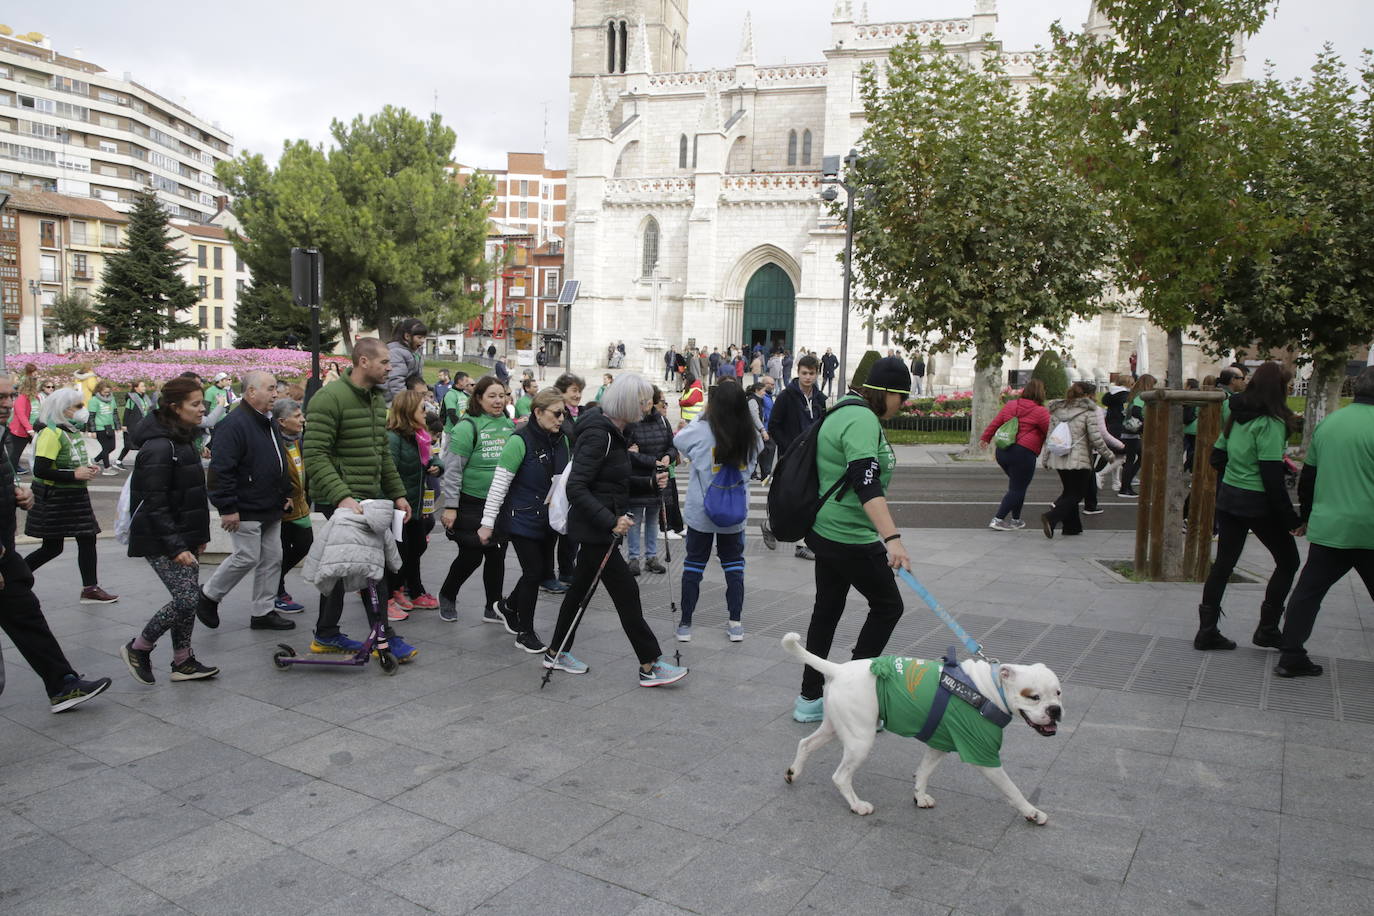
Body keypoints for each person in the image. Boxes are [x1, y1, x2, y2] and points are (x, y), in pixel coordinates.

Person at [541, 373, 686, 686]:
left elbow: (612, 482)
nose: (647, 406)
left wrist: (648, 481)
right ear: (627, 403)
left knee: (580, 590)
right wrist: (611, 521)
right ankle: (650, 664)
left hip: (601, 528)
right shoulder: (600, 433)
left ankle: (556, 651)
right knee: (626, 593)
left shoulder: (618, 431)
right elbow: (578, 486)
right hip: (597, 530)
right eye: (642, 400)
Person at [792, 356, 912, 723]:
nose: (903, 405)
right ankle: (855, 695)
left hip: (825, 530)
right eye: (901, 398)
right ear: (886, 392)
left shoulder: (843, 408)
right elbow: (865, 481)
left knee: (827, 610)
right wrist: (891, 537)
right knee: (889, 606)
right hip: (850, 535)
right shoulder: (861, 419)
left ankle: (809, 698)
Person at [0, 376, 112, 711]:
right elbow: (44, 468)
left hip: (6, 551)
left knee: (27, 615)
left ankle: (62, 684)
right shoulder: (49, 433)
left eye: (11, 396)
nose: (7, 403)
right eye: (1, 396)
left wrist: (16, 494)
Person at [302, 339, 416, 661]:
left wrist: (397, 494)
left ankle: (326, 634)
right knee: (371, 564)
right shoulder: (329, 398)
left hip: (367, 496)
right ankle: (384, 638)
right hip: (341, 498)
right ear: (363, 361)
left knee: (342, 566)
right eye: (384, 363)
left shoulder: (376, 400)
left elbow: (380, 452)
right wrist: (342, 497)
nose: (389, 368)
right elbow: (315, 454)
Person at [1194, 361, 1302, 652]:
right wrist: (1292, 519)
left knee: (1224, 564)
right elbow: (1272, 477)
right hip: (1258, 502)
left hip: (1230, 497)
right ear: (1278, 389)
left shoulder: (1236, 416)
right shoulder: (1271, 423)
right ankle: (1267, 629)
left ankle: (1206, 630)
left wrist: (1237, 473)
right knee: (1289, 561)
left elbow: (1217, 458)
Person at [1274, 366, 1374, 677]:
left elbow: (1309, 477)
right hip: (1369, 527)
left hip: (1330, 526)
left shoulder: (1329, 424)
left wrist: (1306, 516)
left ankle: (1290, 655)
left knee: (1308, 592)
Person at [120, 377, 218, 684]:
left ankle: (183, 660)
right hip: (160, 537)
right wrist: (176, 546)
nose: (203, 409)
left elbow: (191, 494)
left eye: (203, 402)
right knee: (188, 600)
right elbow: (155, 503)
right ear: (175, 408)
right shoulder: (160, 446)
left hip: (183, 534)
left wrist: (198, 536)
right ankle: (139, 647)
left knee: (185, 598)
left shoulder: (181, 438)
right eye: (195, 404)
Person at [196, 370, 294, 632]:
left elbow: (277, 459)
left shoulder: (268, 420)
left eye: (276, 388)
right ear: (251, 392)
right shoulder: (234, 424)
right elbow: (221, 469)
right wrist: (227, 507)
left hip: (270, 503)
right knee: (247, 556)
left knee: (272, 558)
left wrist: (285, 492)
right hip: (246, 504)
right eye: (271, 388)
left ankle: (263, 612)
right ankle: (208, 596)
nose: (276, 394)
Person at [479, 387, 570, 653]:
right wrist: (487, 523)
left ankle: (507, 607)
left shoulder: (561, 439)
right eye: (556, 413)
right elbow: (499, 485)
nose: (561, 419)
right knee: (533, 573)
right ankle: (525, 633)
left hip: (547, 517)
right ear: (538, 413)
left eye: (563, 413)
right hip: (520, 518)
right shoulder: (519, 440)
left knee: (540, 570)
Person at [673, 379, 761, 642]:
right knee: (734, 567)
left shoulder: (700, 430)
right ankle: (735, 623)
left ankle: (686, 623)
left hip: (702, 510)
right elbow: (757, 458)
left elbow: (679, 441)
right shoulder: (751, 435)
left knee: (693, 565)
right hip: (734, 512)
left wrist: (702, 416)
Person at [25, 389, 117, 604]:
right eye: (78, 406)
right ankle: (13, 577)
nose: (82, 411)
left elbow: (68, 460)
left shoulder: (68, 430)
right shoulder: (51, 432)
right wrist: (74, 474)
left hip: (73, 494)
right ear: (63, 409)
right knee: (52, 547)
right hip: (56, 496)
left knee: (86, 537)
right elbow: (40, 470)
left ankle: (90, 588)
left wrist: (85, 468)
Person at [438, 375, 515, 625]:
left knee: (496, 555)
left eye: (501, 395)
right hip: (471, 502)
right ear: (479, 398)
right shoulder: (467, 426)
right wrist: (451, 506)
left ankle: (493, 606)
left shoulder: (507, 424)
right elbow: (453, 470)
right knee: (471, 555)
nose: (498, 401)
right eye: (491, 396)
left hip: (500, 503)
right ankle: (448, 594)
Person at [386, 389, 444, 621]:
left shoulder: (419, 437)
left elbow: (432, 458)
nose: (427, 412)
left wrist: (437, 466)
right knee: (399, 551)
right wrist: (397, 500)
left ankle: (399, 588)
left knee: (417, 545)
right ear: (409, 412)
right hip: (399, 507)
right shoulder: (393, 438)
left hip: (416, 505)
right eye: (423, 408)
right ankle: (387, 596)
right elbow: (388, 473)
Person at [766, 354, 828, 560]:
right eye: (804, 373)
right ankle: (772, 526)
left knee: (811, 496)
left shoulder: (820, 398)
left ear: (817, 374)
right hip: (792, 455)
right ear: (798, 373)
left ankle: (803, 543)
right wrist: (789, 447)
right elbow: (773, 425)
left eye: (811, 373)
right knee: (793, 497)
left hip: (814, 455)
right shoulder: (786, 396)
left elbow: (824, 424)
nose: (808, 377)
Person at [1039, 382, 1115, 538]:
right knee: (1078, 493)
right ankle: (1052, 517)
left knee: (1069, 491)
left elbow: (1050, 437)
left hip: (1059, 456)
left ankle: (1072, 527)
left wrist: (1045, 458)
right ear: (1088, 395)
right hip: (1080, 459)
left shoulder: (1057, 410)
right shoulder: (1088, 412)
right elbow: (1096, 438)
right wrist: (1109, 455)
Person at [980, 379, 1052, 530]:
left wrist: (985, 438)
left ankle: (1016, 519)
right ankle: (998, 519)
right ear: (1041, 393)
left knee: (1018, 486)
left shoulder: (1011, 405)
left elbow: (996, 422)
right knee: (1018, 488)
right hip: (1023, 453)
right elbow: (1050, 432)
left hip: (1003, 451)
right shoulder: (1040, 411)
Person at [626, 386, 677, 576]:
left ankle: (651, 556)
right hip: (639, 477)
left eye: (648, 400)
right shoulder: (631, 422)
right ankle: (633, 558)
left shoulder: (663, 421)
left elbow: (671, 446)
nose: (645, 404)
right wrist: (651, 460)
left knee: (653, 519)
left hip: (660, 476)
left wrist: (667, 457)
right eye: (641, 400)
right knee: (635, 519)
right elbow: (628, 452)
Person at [272, 398, 313, 614]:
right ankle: (276, 591)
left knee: (304, 543)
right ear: (281, 421)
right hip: (282, 507)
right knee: (278, 552)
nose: (302, 420)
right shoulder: (273, 443)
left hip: (300, 505)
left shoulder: (299, 440)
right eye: (297, 417)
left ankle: (274, 585)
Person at [1114, 374, 1156, 498]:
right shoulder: (1141, 395)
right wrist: (1145, 421)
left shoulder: (1134, 394)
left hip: (1129, 430)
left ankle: (1127, 484)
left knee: (1138, 457)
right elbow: (1137, 411)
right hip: (1132, 431)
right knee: (1131, 459)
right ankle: (1125, 487)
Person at [385, 318, 428, 403]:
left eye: (424, 337)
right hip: (394, 402)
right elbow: (396, 383)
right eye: (419, 337)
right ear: (407, 336)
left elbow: (418, 378)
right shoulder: (395, 352)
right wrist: (407, 405)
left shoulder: (416, 352)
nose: (423, 341)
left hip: (409, 397)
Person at [116, 380, 152, 468]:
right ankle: (119, 461)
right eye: (142, 386)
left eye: (144, 386)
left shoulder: (145, 398)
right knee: (128, 445)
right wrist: (124, 425)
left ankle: (143, 462)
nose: (144, 388)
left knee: (143, 444)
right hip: (133, 425)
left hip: (143, 425)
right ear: (136, 388)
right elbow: (127, 412)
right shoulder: (132, 399)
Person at [7, 369, 37, 473]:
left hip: (22, 431)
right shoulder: (22, 399)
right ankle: (11, 474)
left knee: (16, 455)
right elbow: (21, 415)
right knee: (14, 455)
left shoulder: (26, 398)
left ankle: (13, 471)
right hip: (18, 431)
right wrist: (30, 430)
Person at [89, 381, 119, 474]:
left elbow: (115, 413)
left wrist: (117, 425)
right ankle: (107, 468)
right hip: (100, 428)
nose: (107, 394)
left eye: (108, 392)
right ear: (99, 390)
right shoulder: (94, 400)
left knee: (112, 447)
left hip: (110, 427)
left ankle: (95, 460)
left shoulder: (112, 399)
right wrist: (92, 430)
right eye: (105, 392)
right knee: (105, 448)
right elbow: (91, 416)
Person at [746, 382, 774, 481]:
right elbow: (755, 417)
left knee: (758, 451)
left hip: (755, 431)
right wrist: (763, 430)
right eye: (763, 391)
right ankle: (753, 473)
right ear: (757, 390)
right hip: (753, 432)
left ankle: (754, 473)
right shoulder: (753, 401)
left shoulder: (756, 400)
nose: (764, 393)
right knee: (757, 451)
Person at [442, 371, 474, 439]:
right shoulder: (451, 394)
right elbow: (452, 414)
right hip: (452, 431)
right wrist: (460, 428)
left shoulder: (464, 394)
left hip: (462, 430)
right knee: (449, 450)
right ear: (460, 381)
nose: (467, 383)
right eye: (466, 381)